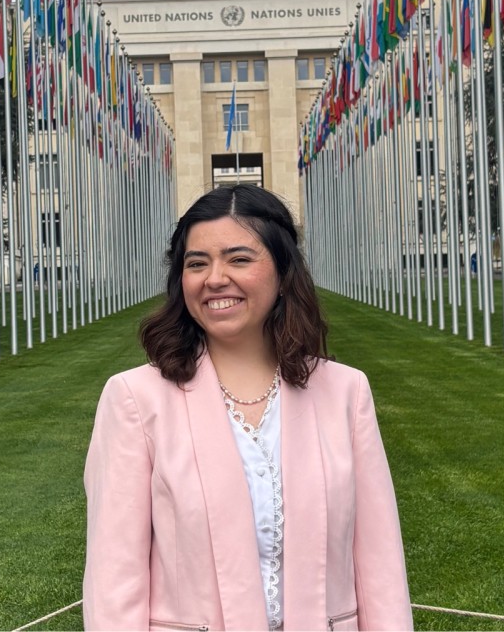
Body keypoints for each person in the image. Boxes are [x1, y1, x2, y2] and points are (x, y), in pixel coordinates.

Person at [83, 184, 412, 631]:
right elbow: (113, 582)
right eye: (197, 263)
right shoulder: (135, 400)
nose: (215, 278)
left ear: (282, 273)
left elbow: (380, 566)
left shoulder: (345, 393)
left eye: (239, 259)